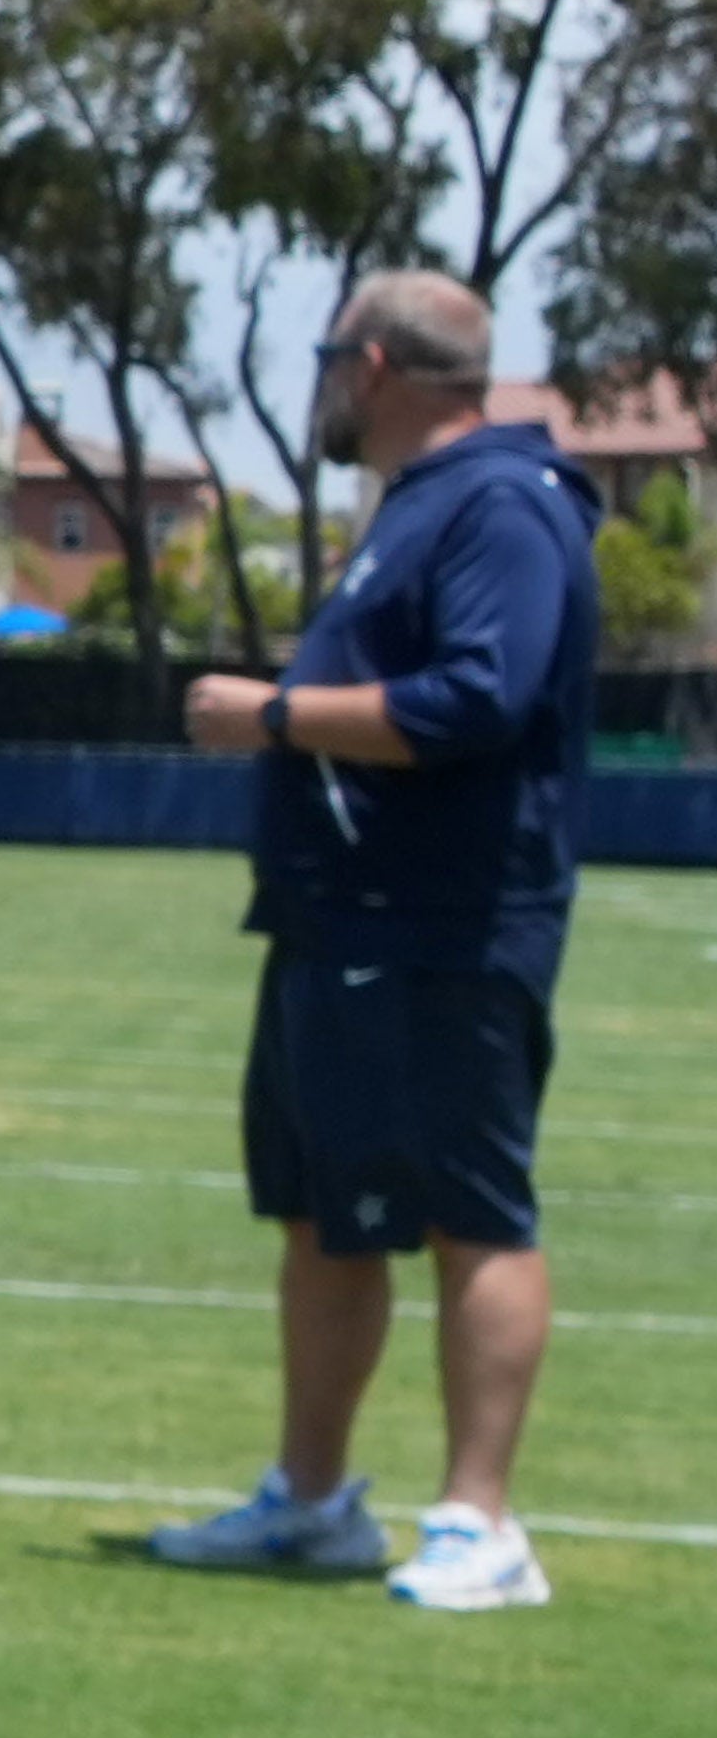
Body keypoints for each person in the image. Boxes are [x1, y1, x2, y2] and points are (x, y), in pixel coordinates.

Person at [149, 271, 593, 1614]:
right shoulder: (416, 507)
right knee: (323, 1217)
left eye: (331, 355)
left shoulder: (502, 503)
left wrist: (276, 713)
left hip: (446, 925)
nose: (322, 380)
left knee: (472, 1216)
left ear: (380, 364)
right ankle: (313, 1498)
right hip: (341, 922)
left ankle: (480, 1521)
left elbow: (479, 694)